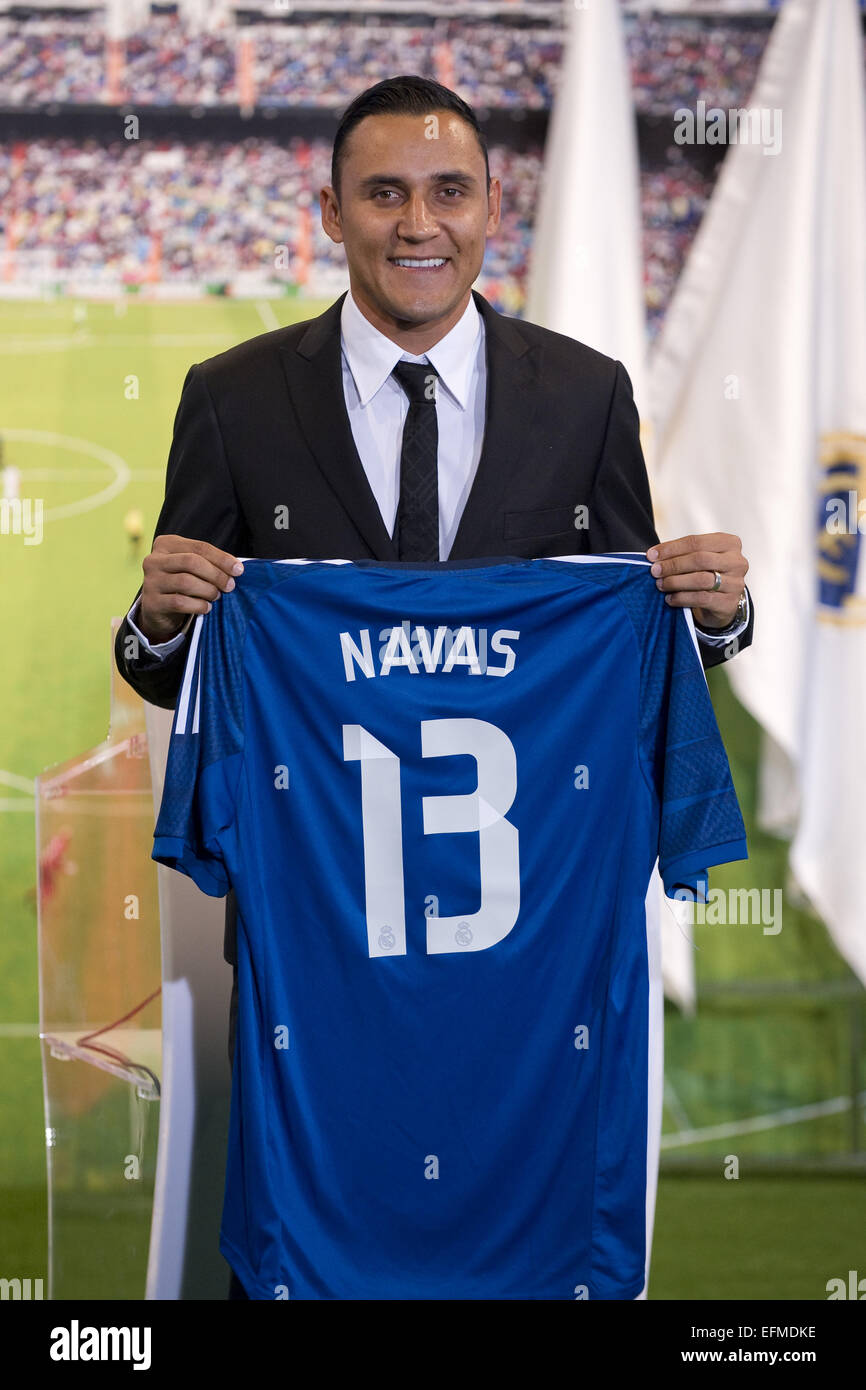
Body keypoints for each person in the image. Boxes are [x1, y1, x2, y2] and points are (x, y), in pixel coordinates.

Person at [114, 75, 752, 1299]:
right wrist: (152, 619)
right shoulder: (232, 400)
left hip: (529, 970)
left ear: (490, 208)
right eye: (384, 193)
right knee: (308, 1243)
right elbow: (170, 667)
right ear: (329, 211)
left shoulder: (585, 395)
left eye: (448, 190)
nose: (419, 223)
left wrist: (719, 616)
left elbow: (630, 646)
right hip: (319, 960)